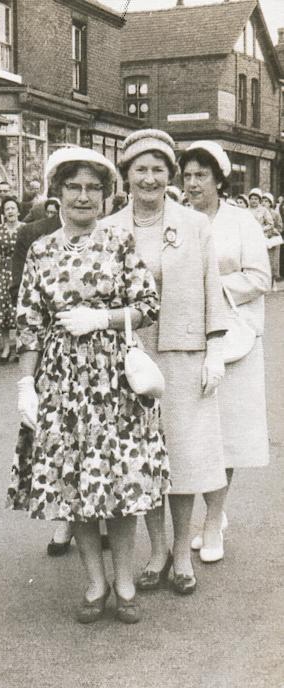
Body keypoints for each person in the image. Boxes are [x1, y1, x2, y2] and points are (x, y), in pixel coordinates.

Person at [7, 146, 169, 624]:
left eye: (93, 188)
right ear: (57, 194)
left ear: (104, 195)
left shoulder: (119, 242)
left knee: (121, 482)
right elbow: (29, 321)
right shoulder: (40, 248)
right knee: (74, 485)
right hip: (60, 381)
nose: (83, 196)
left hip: (114, 379)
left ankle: (123, 583)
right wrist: (25, 383)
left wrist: (104, 316)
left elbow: (149, 304)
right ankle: (95, 584)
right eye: (73, 187)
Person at [106, 129, 229, 594]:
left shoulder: (194, 225)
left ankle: (181, 552)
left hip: (184, 354)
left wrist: (214, 349)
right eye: (142, 169)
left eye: (159, 169)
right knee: (144, 459)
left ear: (169, 175)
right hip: (132, 358)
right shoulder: (110, 228)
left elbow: (209, 287)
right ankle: (156, 550)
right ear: (127, 176)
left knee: (184, 457)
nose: (151, 178)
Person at [180, 141, 271, 561]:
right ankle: (209, 510)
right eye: (188, 175)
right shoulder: (176, 221)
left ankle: (213, 519)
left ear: (219, 179)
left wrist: (211, 288)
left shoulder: (241, 222)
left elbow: (260, 277)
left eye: (201, 175)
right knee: (194, 433)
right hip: (187, 339)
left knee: (224, 435)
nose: (193, 182)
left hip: (235, 341)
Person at [0, 196, 25, 362]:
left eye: (13, 208)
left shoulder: (25, 229)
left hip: (20, 270)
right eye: (7, 209)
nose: (10, 211)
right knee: (2, 310)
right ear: (3, 213)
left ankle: (19, 344)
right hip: (3, 272)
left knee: (18, 308)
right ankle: (6, 347)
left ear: (18, 211)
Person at [261, 192, 282, 288]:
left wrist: (274, 230)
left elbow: (280, 227)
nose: (264, 203)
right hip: (263, 239)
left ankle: (273, 281)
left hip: (273, 241)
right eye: (263, 201)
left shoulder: (275, 213)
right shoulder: (260, 212)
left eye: (266, 201)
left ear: (270, 203)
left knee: (273, 262)